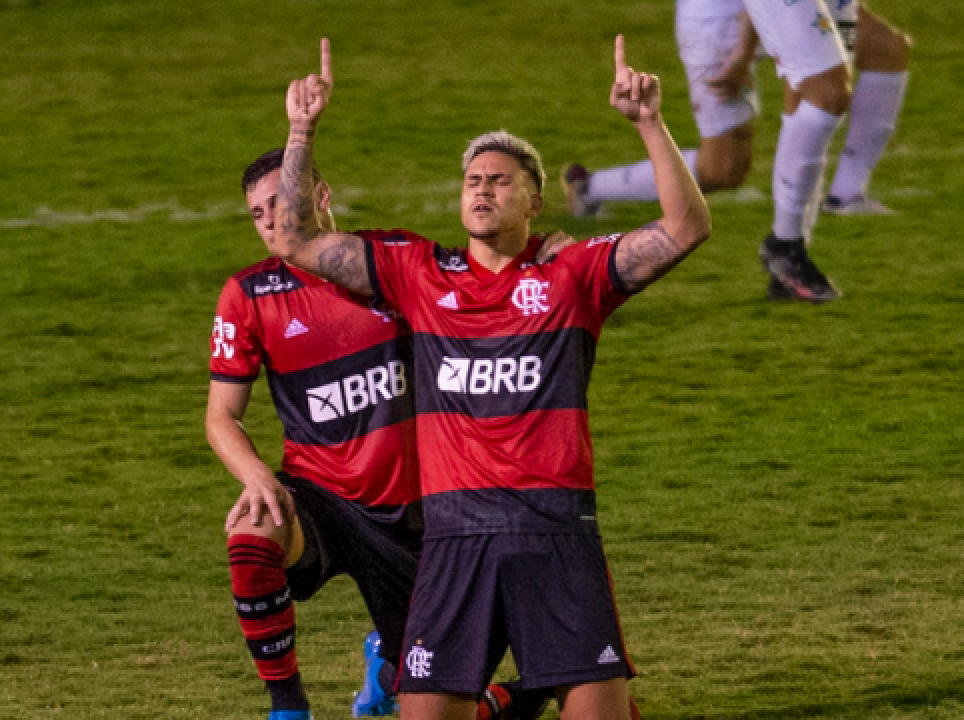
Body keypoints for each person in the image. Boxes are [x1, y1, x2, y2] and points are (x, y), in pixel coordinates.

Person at [269, 36, 708, 720]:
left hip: (556, 536)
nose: (482, 187)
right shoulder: (418, 275)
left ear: (535, 201)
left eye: (500, 179)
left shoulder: (572, 275)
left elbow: (685, 229)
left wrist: (649, 122)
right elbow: (294, 238)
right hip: (454, 541)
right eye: (473, 179)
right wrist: (301, 131)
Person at [209, 149, 562, 720]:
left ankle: (493, 692)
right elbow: (221, 415)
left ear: (319, 196)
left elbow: (480, 287)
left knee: (443, 708)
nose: (272, 221)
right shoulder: (249, 295)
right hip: (323, 500)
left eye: (281, 202)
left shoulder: (390, 261)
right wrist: (254, 476)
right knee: (253, 526)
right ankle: (288, 707)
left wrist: (540, 260)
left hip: (423, 515)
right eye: (257, 213)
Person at [564, 0, 910, 302]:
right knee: (724, 167)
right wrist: (743, 51)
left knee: (859, 65)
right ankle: (590, 187)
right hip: (716, 21)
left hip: (764, 15)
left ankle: (807, 229)